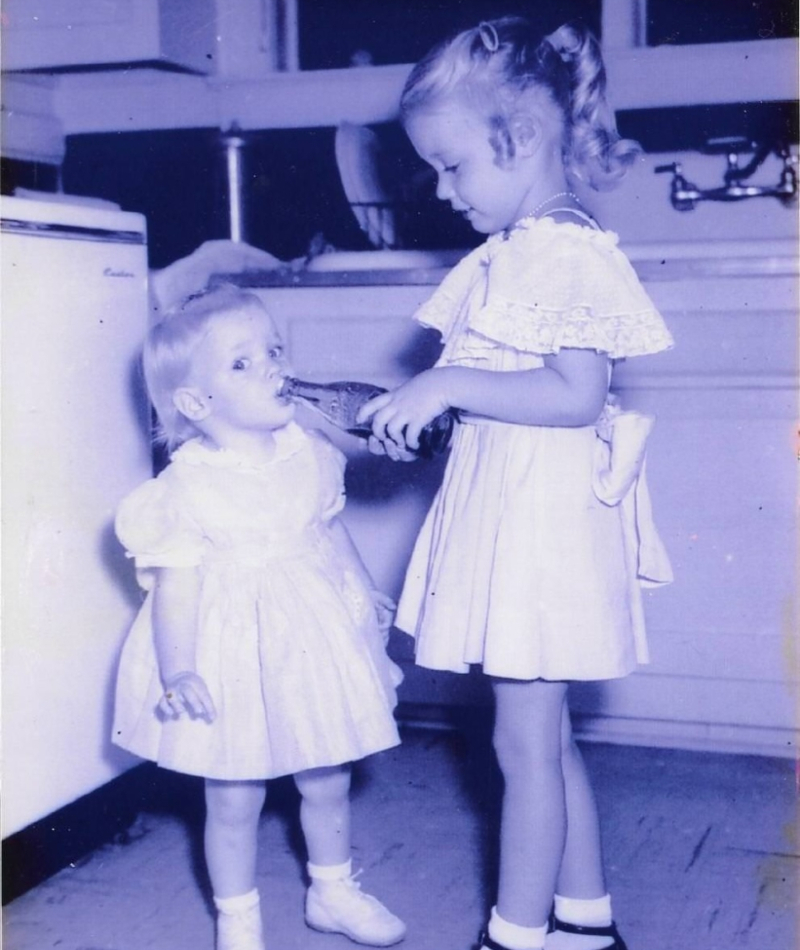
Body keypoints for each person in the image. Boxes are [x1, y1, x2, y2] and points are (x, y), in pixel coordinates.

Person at [358, 17, 674, 950]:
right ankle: (583, 922)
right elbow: (516, 389)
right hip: (524, 514)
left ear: (522, 138)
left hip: (545, 532)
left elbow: (577, 394)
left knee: (522, 746)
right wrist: (432, 402)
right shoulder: (525, 244)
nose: (442, 190)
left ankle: (514, 937)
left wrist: (449, 381)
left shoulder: (560, 248)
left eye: (452, 166)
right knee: (539, 736)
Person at [112, 285, 407, 950]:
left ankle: (332, 890)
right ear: (196, 403)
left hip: (309, 637)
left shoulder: (308, 452)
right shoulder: (185, 488)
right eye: (241, 363)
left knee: (329, 773)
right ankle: (237, 919)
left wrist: (363, 590)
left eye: (273, 350)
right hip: (228, 650)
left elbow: (327, 532)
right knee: (234, 794)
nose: (274, 366)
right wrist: (179, 666)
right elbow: (176, 589)